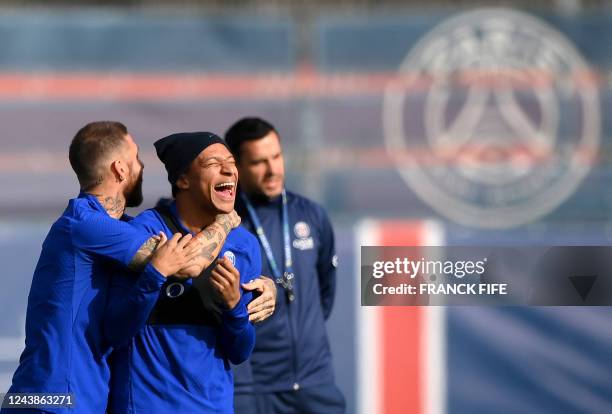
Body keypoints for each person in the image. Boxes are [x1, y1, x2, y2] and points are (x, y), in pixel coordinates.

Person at [1, 122, 236, 414]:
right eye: (136, 158)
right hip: (54, 400)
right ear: (120, 169)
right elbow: (188, 264)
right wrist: (226, 220)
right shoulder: (86, 225)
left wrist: (269, 285)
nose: (142, 166)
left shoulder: (112, 229)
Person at [107, 132, 263, 414]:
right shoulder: (144, 233)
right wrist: (154, 276)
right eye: (213, 163)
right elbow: (116, 332)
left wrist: (234, 308)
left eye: (231, 162)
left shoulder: (245, 245)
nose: (229, 169)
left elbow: (240, 351)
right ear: (183, 180)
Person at [225, 117, 345, 413]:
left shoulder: (311, 214)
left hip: (315, 383)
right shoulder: (225, 226)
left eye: (276, 157)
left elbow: (324, 296)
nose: (272, 170)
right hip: (254, 389)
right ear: (237, 168)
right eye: (259, 162)